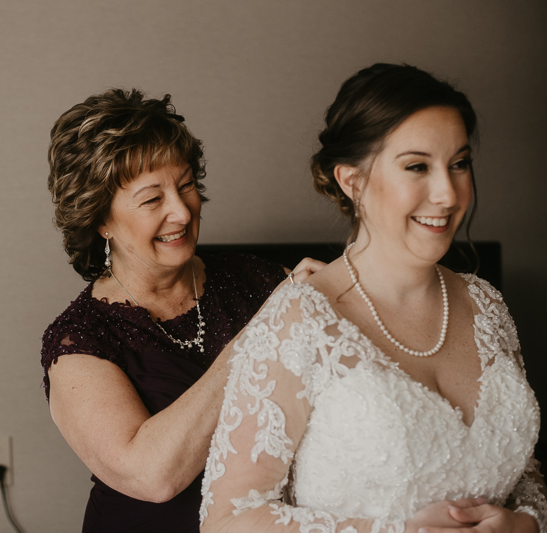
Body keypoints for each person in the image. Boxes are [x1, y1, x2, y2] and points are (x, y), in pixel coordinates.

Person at [199, 63, 547, 533]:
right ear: (352, 181)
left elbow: (521, 472)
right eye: (417, 167)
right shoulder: (301, 319)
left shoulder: (486, 306)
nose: (447, 193)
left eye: (459, 163)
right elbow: (228, 519)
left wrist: (523, 523)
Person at [41, 88, 322, 532]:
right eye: (153, 199)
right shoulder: (80, 340)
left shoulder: (260, 281)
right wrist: (262, 333)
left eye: (187, 184)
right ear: (100, 220)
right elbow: (152, 476)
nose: (182, 211)